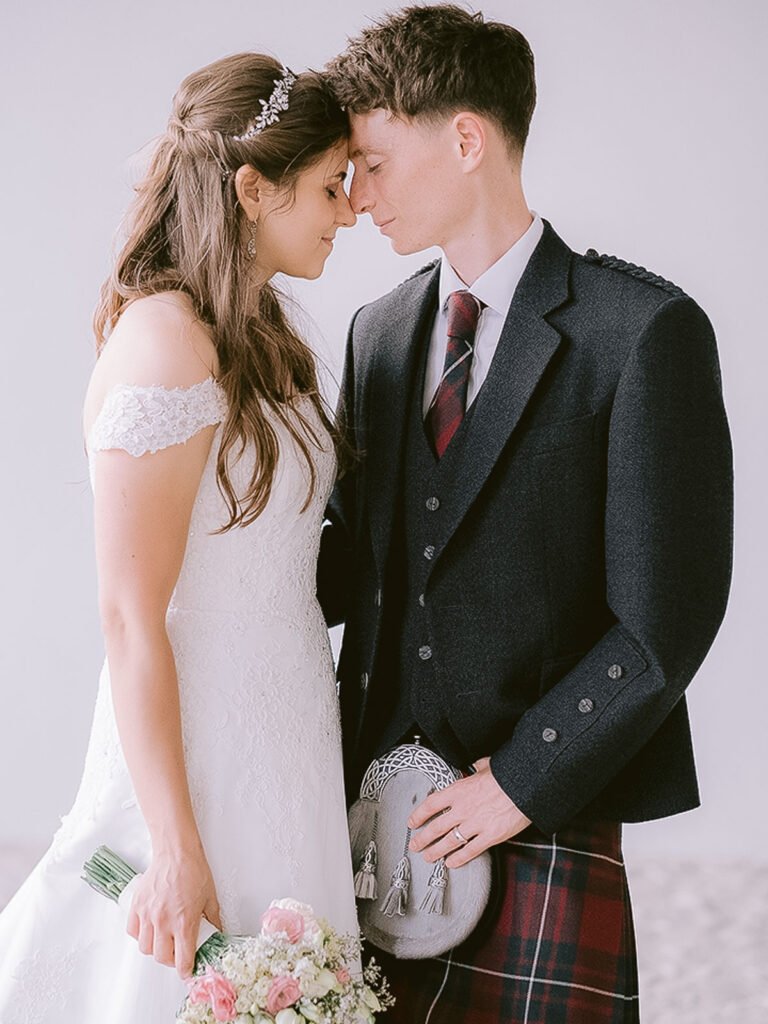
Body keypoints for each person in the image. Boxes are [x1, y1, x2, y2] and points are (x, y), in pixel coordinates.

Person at [320, 5, 733, 1022]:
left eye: (373, 162)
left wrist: (518, 781)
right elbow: (349, 565)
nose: (355, 195)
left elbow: (663, 622)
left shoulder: (640, 332)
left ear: (466, 138)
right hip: (369, 824)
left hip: (541, 816)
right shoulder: (378, 334)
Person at [0, 52, 358, 1023]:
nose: (351, 210)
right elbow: (128, 612)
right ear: (253, 188)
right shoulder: (163, 342)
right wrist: (175, 843)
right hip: (194, 749)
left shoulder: (263, 331)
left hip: (285, 729)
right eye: (332, 185)